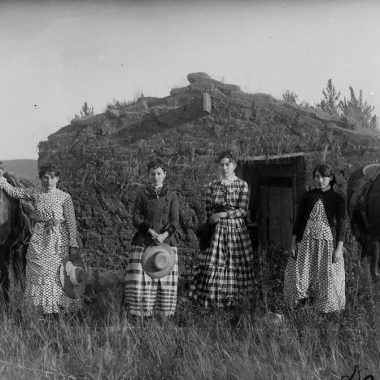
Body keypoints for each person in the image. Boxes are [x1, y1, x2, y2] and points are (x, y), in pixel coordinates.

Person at [0, 164, 81, 316]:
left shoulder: (65, 197)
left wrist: (73, 243)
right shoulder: (34, 193)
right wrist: (2, 180)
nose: (48, 181)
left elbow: (70, 222)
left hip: (58, 239)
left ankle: (59, 310)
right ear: (41, 179)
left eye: (51, 177)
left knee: (56, 274)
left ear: (57, 179)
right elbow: (15, 191)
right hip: (39, 240)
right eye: (45, 177)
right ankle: (42, 311)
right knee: (38, 274)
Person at [189, 150, 254, 308]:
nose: (224, 167)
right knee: (215, 262)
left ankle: (237, 301)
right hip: (217, 230)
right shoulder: (213, 185)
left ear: (234, 165)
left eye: (228, 164)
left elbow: (243, 210)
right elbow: (209, 208)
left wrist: (224, 214)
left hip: (236, 230)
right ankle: (214, 301)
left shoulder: (242, 185)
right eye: (222, 165)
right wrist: (215, 219)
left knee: (235, 262)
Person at [283, 163, 347, 313]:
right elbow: (298, 221)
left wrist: (338, 249)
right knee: (300, 276)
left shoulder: (338, 198)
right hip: (306, 243)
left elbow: (342, 224)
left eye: (324, 176)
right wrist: (293, 244)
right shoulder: (307, 196)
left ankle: (324, 313)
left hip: (327, 245)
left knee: (327, 279)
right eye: (317, 176)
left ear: (330, 178)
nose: (320, 180)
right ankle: (300, 309)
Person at [124, 159, 179, 318]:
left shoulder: (171, 195)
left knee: (163, 274)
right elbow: (136, 217)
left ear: (165, 174)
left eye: (159, 173)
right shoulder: (142, 194)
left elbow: (175, 220)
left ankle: (163, 315)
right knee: (142, 279)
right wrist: (149, 231)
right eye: (153, 174)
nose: (156, 177)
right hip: (144, 241)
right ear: (149, 176)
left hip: (165, 243)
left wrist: (163, 235)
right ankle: (140, 315)